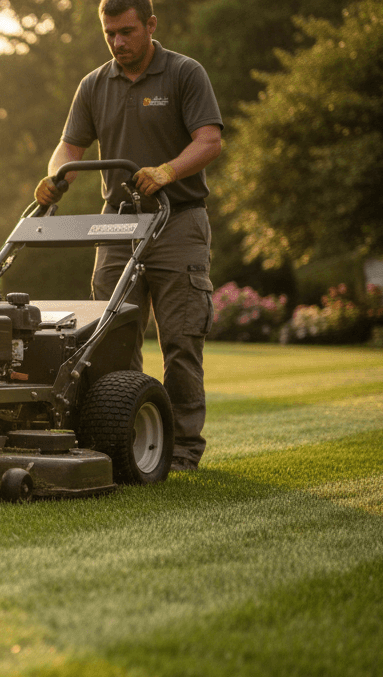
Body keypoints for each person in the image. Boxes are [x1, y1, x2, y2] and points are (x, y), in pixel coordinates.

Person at [34, 0, 223, 472]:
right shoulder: (94, 84)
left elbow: (209, 141)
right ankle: (121, 440)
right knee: (109, 338)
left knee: (180, 340)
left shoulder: (184, 73)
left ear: (150, 25)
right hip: (117, 223)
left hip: (177, 219)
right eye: (109, 33)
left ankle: (180, 450)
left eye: (127, 31)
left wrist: (165, 171)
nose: (118, 42)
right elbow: (69, 146)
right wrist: (56, 177)